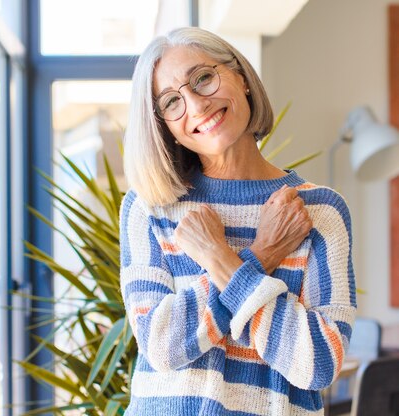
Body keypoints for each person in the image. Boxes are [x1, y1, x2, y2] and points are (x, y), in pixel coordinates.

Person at [120, 27, 356, 415]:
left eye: (203, 78)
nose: (195, 105)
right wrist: (263, 254)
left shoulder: (317, 211)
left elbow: (317, 365)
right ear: (164, 126)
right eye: (171, 101)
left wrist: (220, 257)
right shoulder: (151, 208)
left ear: (241, 78)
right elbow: (161, 347)